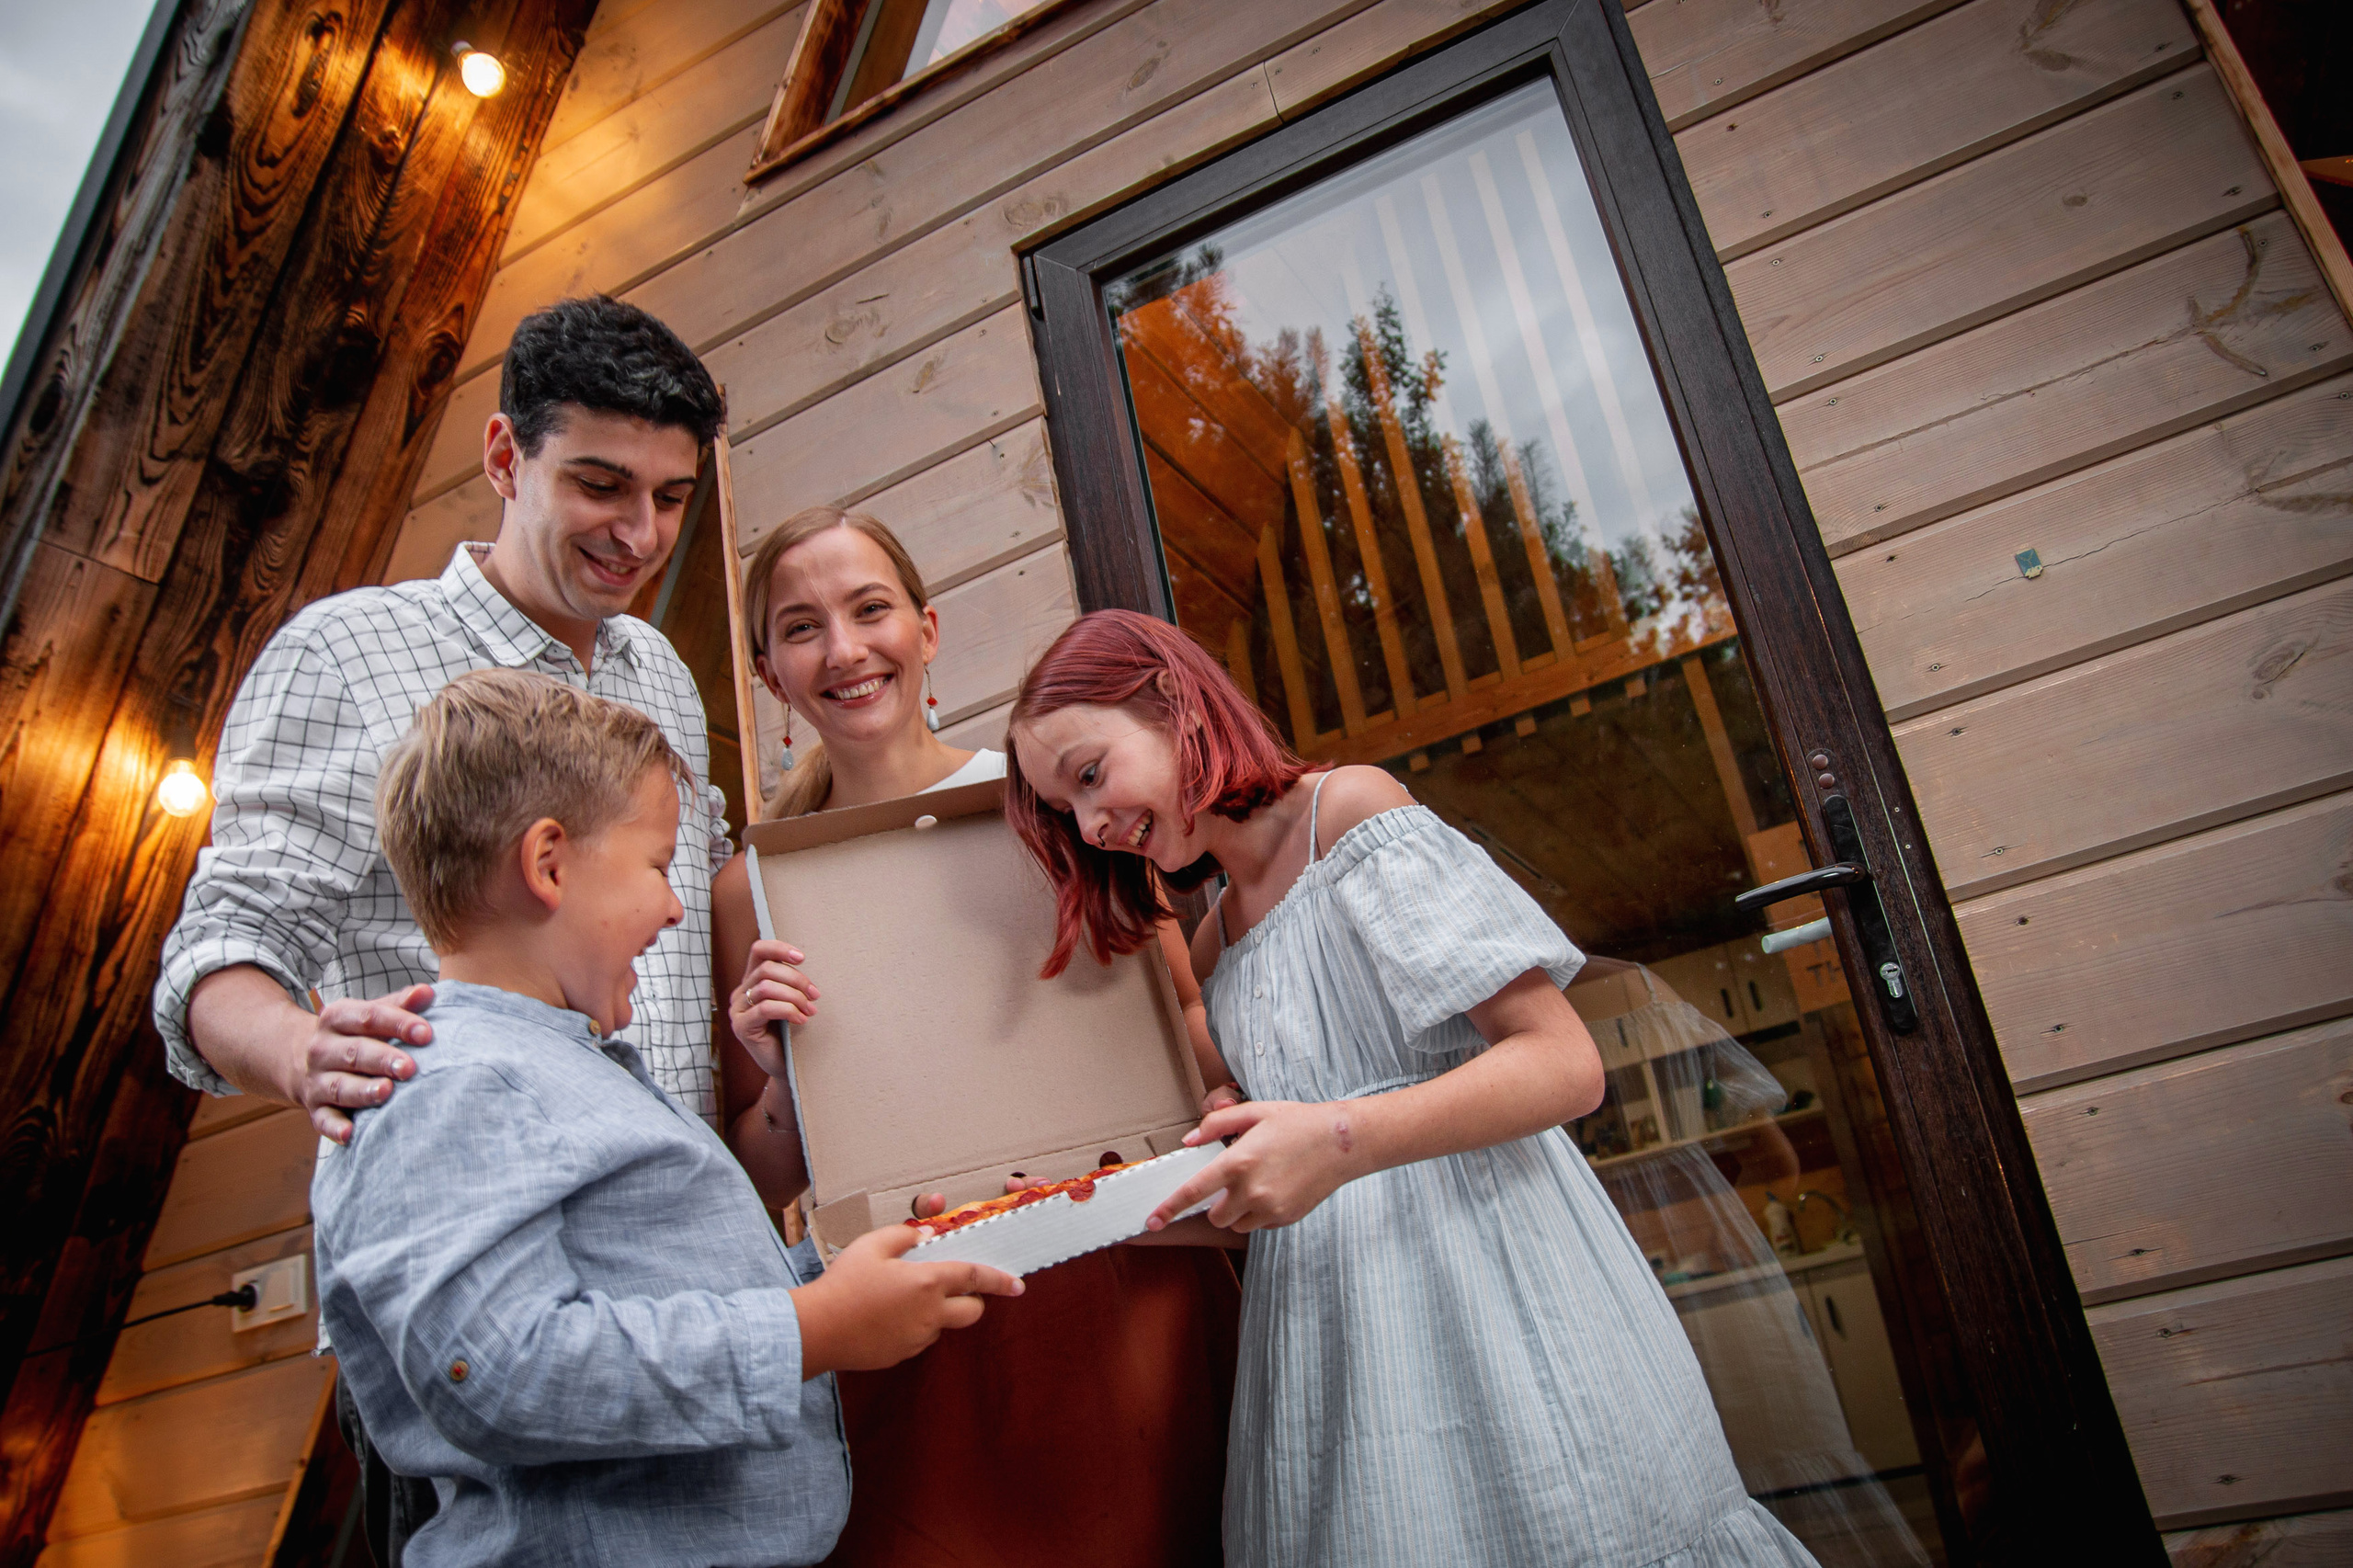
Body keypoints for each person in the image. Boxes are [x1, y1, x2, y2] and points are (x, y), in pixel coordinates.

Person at [1003, 609, 1823, 1568]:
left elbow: (1562, 1063)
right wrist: (1089, 1207)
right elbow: (1273, 1170)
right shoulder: (1215, 944)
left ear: (1171, 701)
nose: (1093, 824)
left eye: (1091, 775)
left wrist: (1336, 1137)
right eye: (1067, 812)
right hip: (1337, 1352)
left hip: (1491, 1289)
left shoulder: (1350, 814)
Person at [151, 295, 745, 1563]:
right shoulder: (349, 653)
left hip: (671, 1281)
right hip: (480, 1300)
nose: (639, 533)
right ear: (501, 458)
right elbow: (215, 953)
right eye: (600, 484)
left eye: (672, 496)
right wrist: (302, 1047)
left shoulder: (663, 679)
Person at [317, 668, 1020, 1568]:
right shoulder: (442, 1082)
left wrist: (843, 1267)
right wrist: (811, 1329)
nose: (676, 904)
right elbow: (496, 1369)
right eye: (655, 865)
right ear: (548, 863)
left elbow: (662, 1294)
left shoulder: (575, 1068)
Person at [711, 510, 1243, 1566]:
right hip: (924, 1319)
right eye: (803, 627)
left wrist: (1219, 1116)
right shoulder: (750, 888)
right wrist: (779, 1080)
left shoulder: (1052, 801)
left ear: (928, 627)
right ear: (771, 674)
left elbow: (1184, 1023)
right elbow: (754, 1166)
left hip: (1125, 1274)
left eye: (871, 610)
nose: (847, 650)